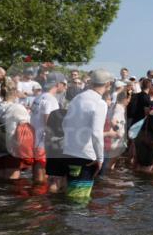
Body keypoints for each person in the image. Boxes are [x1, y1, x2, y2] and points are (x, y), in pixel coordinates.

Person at [61, 69, 113, 200]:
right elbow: (96, 133)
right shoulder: (100, 103)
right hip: (85, 156)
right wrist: (100, 159)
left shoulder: (77, 98)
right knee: (79, 199)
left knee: (69, 194)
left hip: (68, 152)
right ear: (108, 84)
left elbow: (64, 124)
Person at [30, 73, 66, 185]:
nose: (65, 87)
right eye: (64, 84)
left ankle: (35, 197)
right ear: (58, 84)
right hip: (43, 142)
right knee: (43, 176)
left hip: (34, 139)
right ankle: (40, 198)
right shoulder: (51, 100)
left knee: (36, 172)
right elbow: (49, 121)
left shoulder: (39, 97)